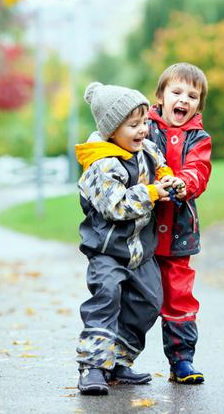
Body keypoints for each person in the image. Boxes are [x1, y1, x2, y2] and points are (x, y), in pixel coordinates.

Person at [75, 81, 180, 395]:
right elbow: (116, 205)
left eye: (145, 122)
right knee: (106, 300)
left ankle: (119, 361)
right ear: (111, 130)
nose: (143, 130)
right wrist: (151, 192)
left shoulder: (144, 149)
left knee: (149, 302)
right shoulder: (101, 165)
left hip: (139, 251)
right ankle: (93, 367)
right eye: (133, 125)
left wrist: (166, 179)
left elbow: (159, 164)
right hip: (107, 251)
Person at [147, 62, 212, 384]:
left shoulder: (199, 139)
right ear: (160, 96)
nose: (183, 100)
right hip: (141, 236)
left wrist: (183, 183)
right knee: (134, 297)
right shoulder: (143, 128)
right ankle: (117, 357)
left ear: (198, 104)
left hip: (178, 237)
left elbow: (199, 170)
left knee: (179, 299)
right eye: (176, 92)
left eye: (192, 95)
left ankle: (182, 360)